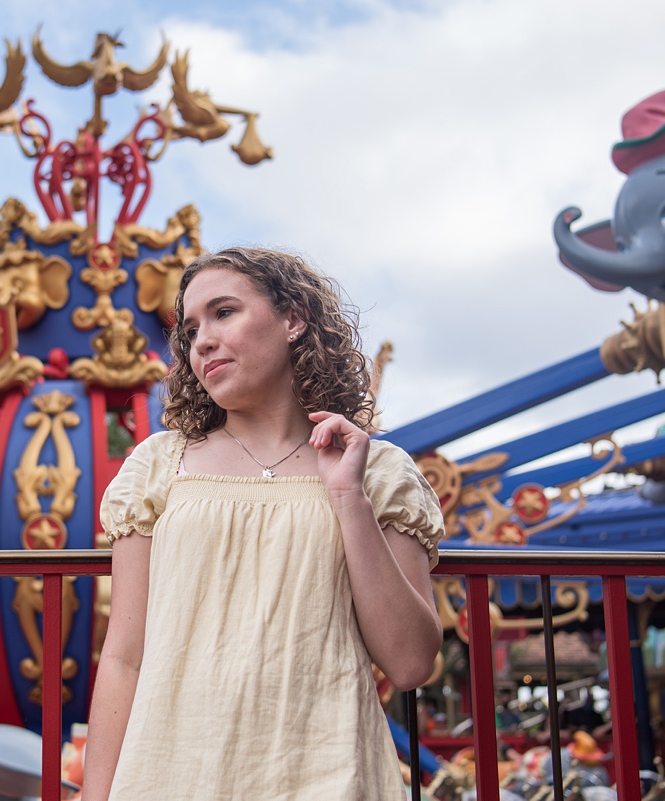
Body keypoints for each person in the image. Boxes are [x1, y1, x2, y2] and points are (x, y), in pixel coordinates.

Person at [80, 247, 446, 800]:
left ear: (293, 319)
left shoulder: (378, 470)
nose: (200, 340)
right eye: (190, 329)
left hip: (327, 776)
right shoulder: (158, 465)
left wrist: (347, 495)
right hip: (170, 775)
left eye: (224, 312)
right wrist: (93, 794)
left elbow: (411, 661)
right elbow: (125, 656)